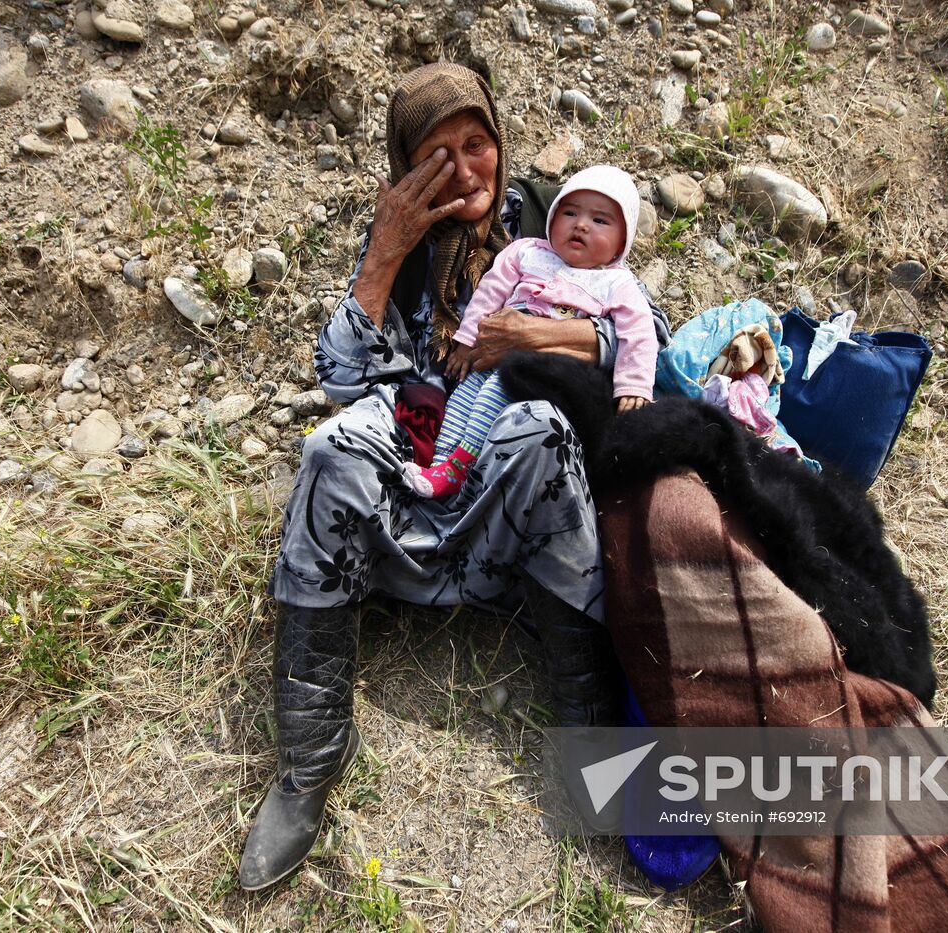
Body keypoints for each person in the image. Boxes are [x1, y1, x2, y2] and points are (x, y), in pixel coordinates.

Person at [239, 63, 669, 893]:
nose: (467, 171)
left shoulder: (555, 215)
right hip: (423, 458)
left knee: (541, 427)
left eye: (478, 145)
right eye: (438, 155)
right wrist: (384, 250)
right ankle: (310, 757)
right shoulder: (397, 242)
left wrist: (540, 338)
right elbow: (341, 374)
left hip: (519, 491)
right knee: (333, 445)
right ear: (406, 170)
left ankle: (586, 737)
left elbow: (647, 330)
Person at [405, 165, 658, 498]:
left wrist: (634, 386)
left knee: (497, 389)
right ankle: (439, 468)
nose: (581, 224)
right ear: (552, 218)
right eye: (569, 212)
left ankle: (461, 468)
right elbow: (490, 292)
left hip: (545, 367)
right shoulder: (527, 252)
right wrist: (467, 340)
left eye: (600, 221)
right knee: (465, 392)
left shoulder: (617, 282)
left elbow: (639, 332)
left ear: (619, 244)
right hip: (493, 351)